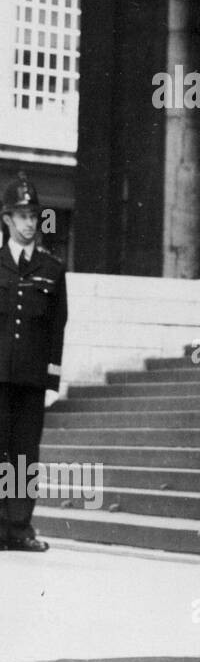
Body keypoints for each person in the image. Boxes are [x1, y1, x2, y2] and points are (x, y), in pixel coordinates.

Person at [0, 174, 67, 553]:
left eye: (33, 216)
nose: (28, 223)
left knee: (25, 456)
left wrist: (51, 381)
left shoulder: (52, 268)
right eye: (21, 215)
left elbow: (58, 327)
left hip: (30, 381)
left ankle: (19, 527)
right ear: (7, 219)